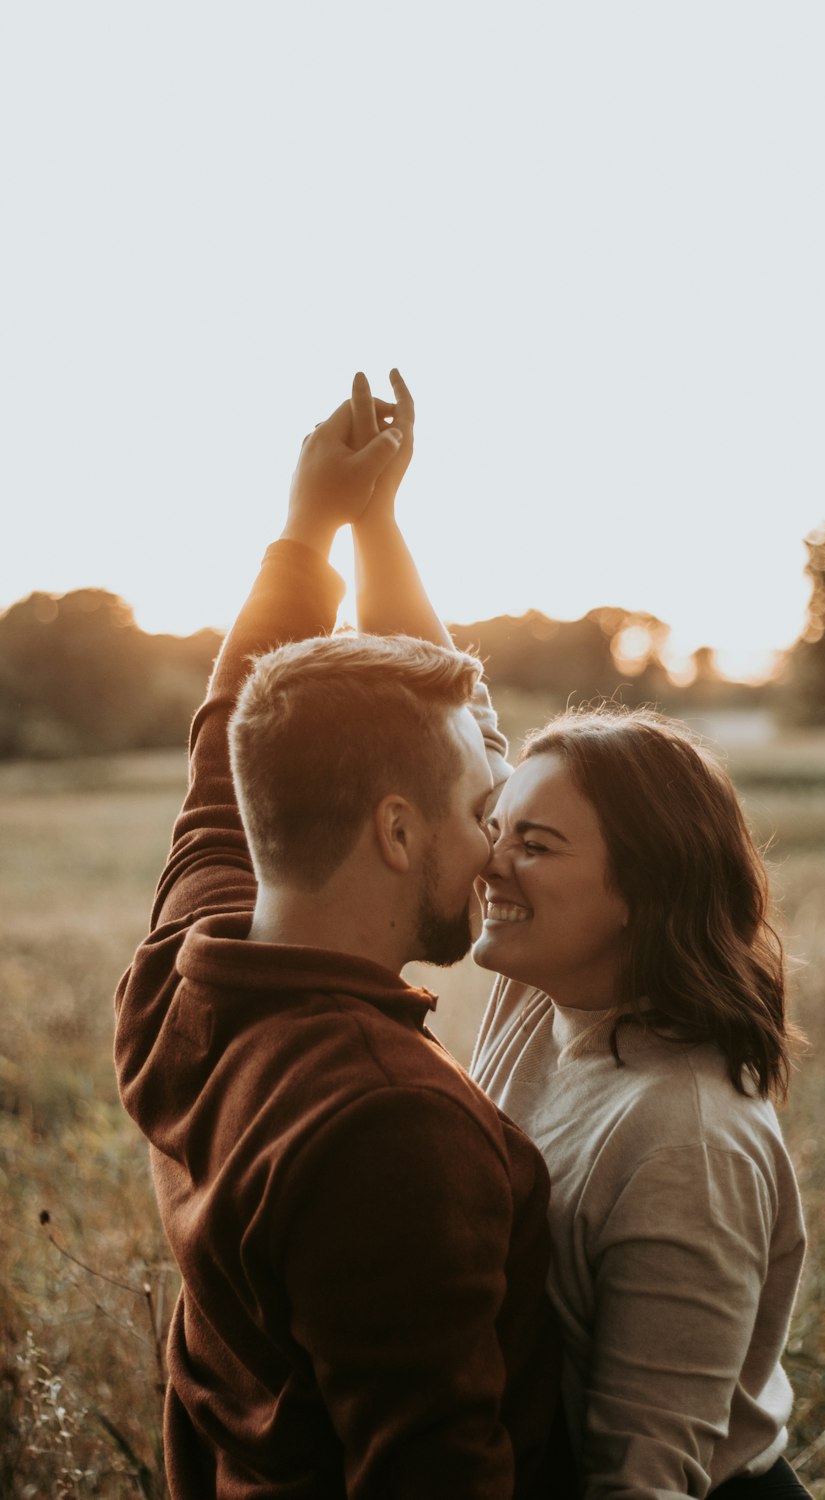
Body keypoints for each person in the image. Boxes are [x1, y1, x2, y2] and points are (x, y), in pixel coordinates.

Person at [351, 371, 810, 1500]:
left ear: (644, 896)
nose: (487, 860)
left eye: (535, 845)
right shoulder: (548, 992)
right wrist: (373, 522)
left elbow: (642, 1480)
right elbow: (447, 717)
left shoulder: (681, 1135)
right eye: (494, 827)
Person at [113, 380, 575, 1500]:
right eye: (483, 814)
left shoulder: (183, 980)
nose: (499, 850)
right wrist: (330, 524)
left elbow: (237, 741)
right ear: (396, 829)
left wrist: (331, 527)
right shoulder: (393, 1123)